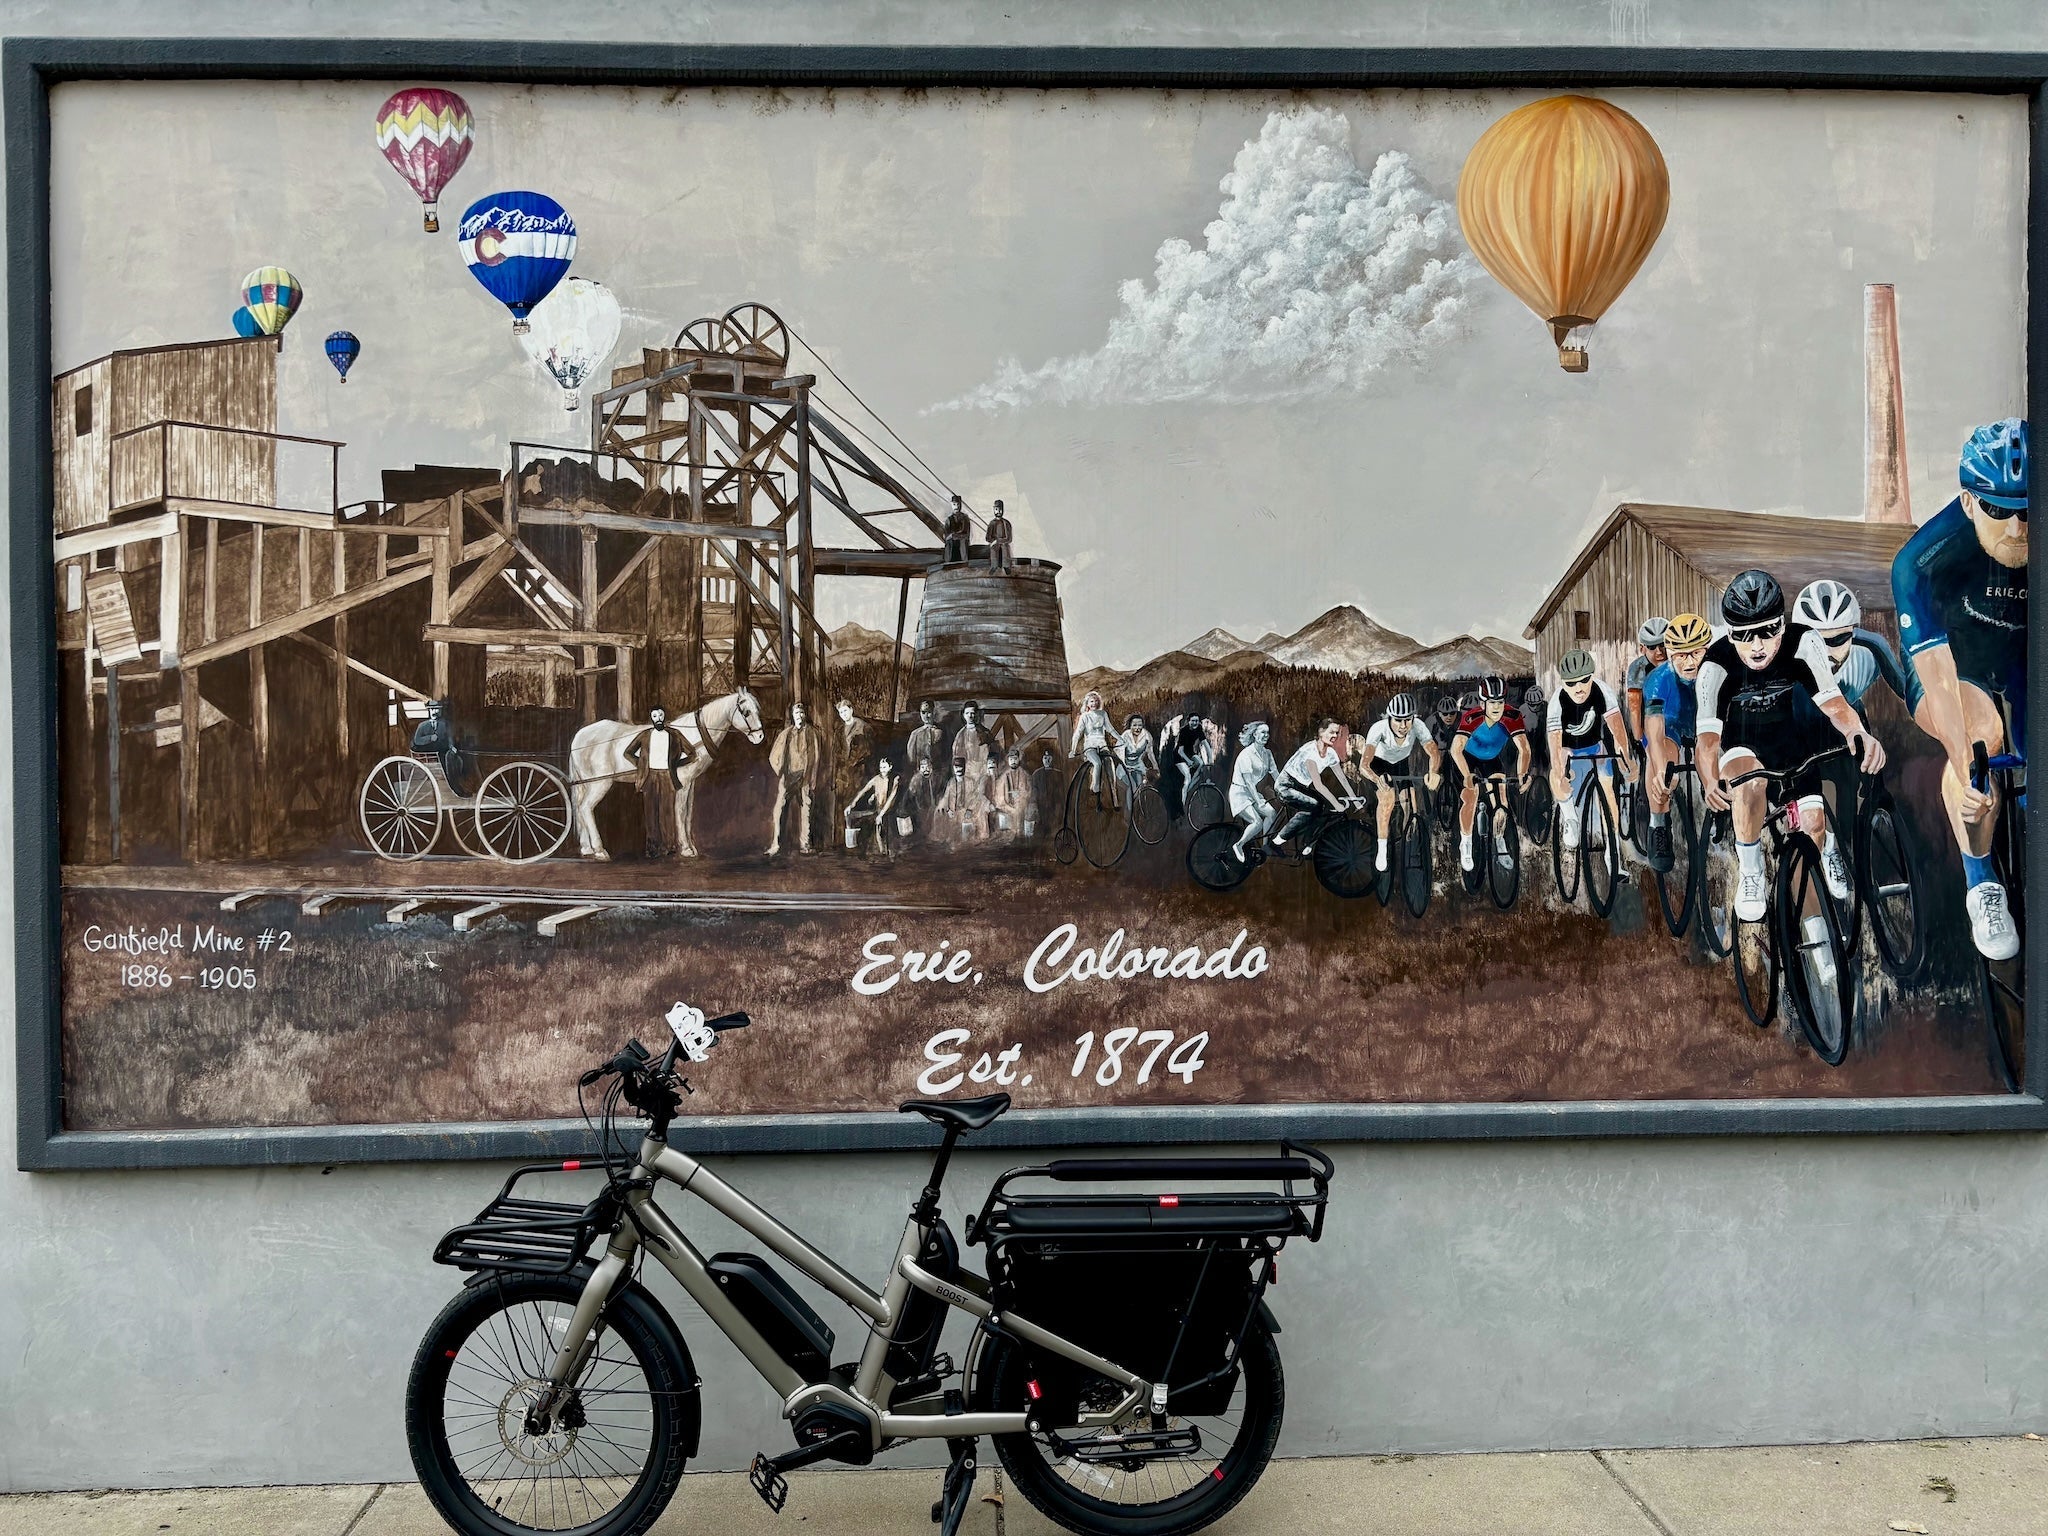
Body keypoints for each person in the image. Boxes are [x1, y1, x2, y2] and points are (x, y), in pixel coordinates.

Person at [1892, 419, 2029, 959]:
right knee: (1979, 738)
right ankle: (1982, 883)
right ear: (1970, 503)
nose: (2019, 528)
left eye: (2029, 510)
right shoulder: (1920, 563)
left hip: (2020, 658)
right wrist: (1968, 764)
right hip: (1954, 663)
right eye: (2000, 509)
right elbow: (1940, 683)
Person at [1697, 569, 1885, 922]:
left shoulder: (1804, 642)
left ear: (1783, 625)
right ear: (1729, 633)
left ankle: (1825, 845)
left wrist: (1858, 732)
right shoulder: (1715, 665)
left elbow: (1835, 705)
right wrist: (1709, 779)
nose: (1757, 647)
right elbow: (1708, 741)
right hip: (1742, 748)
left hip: (1789, 745)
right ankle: (1751, 870)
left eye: (1768, 632)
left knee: (1812, 824)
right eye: (1744, 635)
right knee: (1750, 784)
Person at [1641, 614, 1712, 872]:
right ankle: (1659, 824)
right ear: (1670, 653)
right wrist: (1661, 769)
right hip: (1671, 725)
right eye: (1681, 655)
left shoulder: (1716, 670)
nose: (1689, 662)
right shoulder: (1658, 680)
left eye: (1696, 653)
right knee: (1662, 760)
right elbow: (1655, 731)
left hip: (1706, 721)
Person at [1546, 649, 1631, 859]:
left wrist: (1625, 760)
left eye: (1584, 680)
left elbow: (1618, 731)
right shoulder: (1557, 702)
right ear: (1563, 683)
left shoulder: (1603, 691)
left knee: (1609, 791)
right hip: (1567, 749)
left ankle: (1613, 850)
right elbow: (1555, 746)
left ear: (1592, 676)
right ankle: (1571, 820)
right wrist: (1560, 772)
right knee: (1556, 774)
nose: (1579, 688)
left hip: (1595, 746)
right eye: (1571, 683)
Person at [1452, 677, 1530, 872]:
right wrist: (1467, 775)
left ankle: (1499, 840)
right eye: (1491, 702)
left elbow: (1524, 749)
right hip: (1467, 759)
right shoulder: (1471, 717)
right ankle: (1466, 843)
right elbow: (1456, 750)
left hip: (1491, 760)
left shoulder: (1512, 716)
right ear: (1482, 703)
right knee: (1470, 796)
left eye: (1500, 702)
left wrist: (1522, 774)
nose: (1496, 707)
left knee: (1502, 804)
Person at [1358, 693, 1443, 872]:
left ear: (1413, 718)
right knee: (1387, 799)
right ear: (1389, 717)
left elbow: (1434, 752)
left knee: (1410, 804)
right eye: (1398, 720)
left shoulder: (1418, 726)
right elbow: (1364, 765)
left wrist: (1433, 772)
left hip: (1401, 764)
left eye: (1408, 720)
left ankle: (1406, 842)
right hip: (1379, 765)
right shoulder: (1378, 728)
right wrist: (1376, 778)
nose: (1404, 726)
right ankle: (1382, 848)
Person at [1274, 717, 1361, 849]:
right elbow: (1319, 785)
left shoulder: (1331, 754)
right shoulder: (1310, 752)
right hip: (1286, 785)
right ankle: (1277, 841)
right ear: (1321, 732)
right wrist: (1337, 804)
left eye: (1337, 733)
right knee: (1314, 805)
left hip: (1301, 786)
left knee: (1324, 807)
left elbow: (1342, 778)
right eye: (1331, 732)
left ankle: (1308, 842)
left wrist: (1354, 799)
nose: (1335, 736)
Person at [624, 705, 692, 858]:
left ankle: (669, 846)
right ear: (651, 718)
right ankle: (652, 848)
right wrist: (641, 764)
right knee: (650, 814)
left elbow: (692, 754)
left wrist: (675, 765)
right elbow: (628, 752)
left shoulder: (674, 735)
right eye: (655, 716)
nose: (659, 718)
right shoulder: (645, 735)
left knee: (667, 812)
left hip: (667, 777)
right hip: (650, 777)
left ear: (664, 716)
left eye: (661, 715)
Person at [766, 701, 824, 857]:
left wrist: (812, 778)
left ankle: (805, 844)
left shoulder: (812, 734)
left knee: (807, 807)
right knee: (780, 807)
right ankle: (776, 844)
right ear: (792, 715)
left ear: (805, 715)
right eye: (797, 713)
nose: (800, 716)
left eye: (802, 713)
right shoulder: (785, 734)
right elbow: (774, 756)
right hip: (789, 776)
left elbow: (816, 757)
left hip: (804, 776)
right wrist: (781, 771)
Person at [1228, 721, 1280, 861]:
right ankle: (1238, 845)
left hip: (1253, 794)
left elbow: (1276, 774)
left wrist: (1285, 788)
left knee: (1271, 813)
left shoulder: (1267, 753)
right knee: (1256, 822)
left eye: (1267, 733)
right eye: (1262, 732)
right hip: (1240, 793)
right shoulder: (1246, 754)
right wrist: (1258, 801)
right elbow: (1249, 783)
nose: (1266, 735)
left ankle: (1265, 846)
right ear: (1254, 734)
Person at [410, 698, 475, 796]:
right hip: (428, 750)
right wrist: (430, 738)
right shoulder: (422, 726)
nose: (434, 712)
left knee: (455, 757)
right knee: (446, 758)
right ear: (429, 710)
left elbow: (450, 738)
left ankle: (458, 784)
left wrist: (452, 747)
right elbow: (417, 741)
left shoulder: (444, 724)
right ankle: (455, 788)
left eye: (437, 709)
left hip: (442, 750)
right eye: (432, 709)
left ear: (440, 711)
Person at [1625, 617, 1670, 755]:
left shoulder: (1679, 662)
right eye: (1652, 647)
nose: (1659, 651)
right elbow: (1635, 706)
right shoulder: (1637, 669)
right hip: (1650, 726)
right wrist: (1638, 737)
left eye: (1663, 645)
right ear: (1642, 648)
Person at [843, 754, 901, 856]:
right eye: (880, 767)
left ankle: (889, 856)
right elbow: (863, 791)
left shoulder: (895, 779)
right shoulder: (876, 779)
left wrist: (881, 814)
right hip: (878, 810)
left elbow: (891, 798)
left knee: (889, 840)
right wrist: (851, 804)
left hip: (890, 812)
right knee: (875, 834)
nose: (882, 769)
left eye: (884, 767)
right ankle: (879, 854)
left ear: (890, 767)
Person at [834, 699, 872, 840]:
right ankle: (846, 840)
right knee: (843, 806)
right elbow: (836, 753)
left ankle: (860, 840)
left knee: (858, 805)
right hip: (844, 775)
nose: (843, 714)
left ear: (851, 710)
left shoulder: (863, 728)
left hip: (859, 773)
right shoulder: (839, 731)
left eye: (845, 711)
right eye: (841, 712)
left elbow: (870, 751)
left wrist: (856, 762)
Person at [1070, 690, 1114, 794]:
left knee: (1109, 763)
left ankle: (1113, 792)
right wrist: (1073, 750)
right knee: (1097, 763)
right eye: (1091, 701)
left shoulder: (1103, 714)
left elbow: (1110, 729)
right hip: (1090, 746)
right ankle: (1095, 786)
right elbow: (1077, 734)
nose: (1094, 703)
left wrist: (1121, 740)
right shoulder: (1084, 716)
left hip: (1102, 745)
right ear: (1087, 703)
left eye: (1096, 701)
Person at [935, 757, 986, 843]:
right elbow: (946, 797)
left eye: (960, 767)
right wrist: (948, 810)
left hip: (967, 812)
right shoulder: (951, 782)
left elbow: (975, 797)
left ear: (964, 768)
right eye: (956, 767)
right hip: (953, 813)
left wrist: (970, 809)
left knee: (967, 838)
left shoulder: (971, 782)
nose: (958, 769)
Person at [989, 746, 1032, 838]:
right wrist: (1007, 804)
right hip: (1006, 805)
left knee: (1019, 810)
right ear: (1008, 760)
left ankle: (1018, 836)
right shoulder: (1003, 776)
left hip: (1020, 804)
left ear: (1018, 760)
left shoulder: (1024, 774)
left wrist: (1019, 796)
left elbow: (1028, 791)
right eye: (1011, 759)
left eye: (1015, 759)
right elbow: (998, 794)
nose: (1013, 761)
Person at [952, 700, 994, 789]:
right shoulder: (961, 735)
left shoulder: (985, 732)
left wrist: (990, 769)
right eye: (967, 713)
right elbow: (957, 756)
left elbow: (992, 751)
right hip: (968, 773)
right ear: (963, 715)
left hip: (984, 772)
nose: (970, 716)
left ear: (976, 714)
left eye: (972, 713)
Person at [1114, 712, 1158, 791]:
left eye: (1140, 725)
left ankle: (1140, 803)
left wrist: (1155, 766)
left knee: (1140, 787)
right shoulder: (1125, 736)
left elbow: (1150, 753)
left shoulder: (1146, 736)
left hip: (1138, 767)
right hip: (1125, 767)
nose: (1137, 728)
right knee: (1132, 787)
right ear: (1130, 726)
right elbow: (1119, 752)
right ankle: (1129, 804)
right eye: (1134, 725)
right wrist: (1125, 767)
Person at [905, 700, 945, 782]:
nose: (926, 716)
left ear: (934, 712)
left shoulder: (942, 732)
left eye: (929, 712)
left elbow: (946, 754)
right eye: (923, 712)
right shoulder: (915, 734)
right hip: (920, 775)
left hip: (938, 775)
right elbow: (911, 758)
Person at [1028, 748, 1062, 840]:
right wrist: (1034, 806)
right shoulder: (1036, 774)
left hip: (1054, 807)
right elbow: (1034, 792)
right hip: (1041, 807)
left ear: (1053, 758)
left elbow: (1060, 793)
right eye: (1045, 757)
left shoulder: (1058, 774)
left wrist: (1058, 808)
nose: (1046, 760)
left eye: (1049, 757)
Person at [985, 498, 1014, 573]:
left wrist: (998, 541)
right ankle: (994, 566)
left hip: (1003, 543)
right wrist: (993, 541)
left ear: (1003, 510)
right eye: (997, 509)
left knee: (1005, 547)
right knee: (994, 548)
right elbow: (987, 538)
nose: (998, 511)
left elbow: (1009, 538)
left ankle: (1006, 567)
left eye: (1000, 509)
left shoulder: (1006, 523)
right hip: (994, 544)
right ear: (994, 510)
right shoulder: (992, 523)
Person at [941, 494, 972, 564]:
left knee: (963, 542)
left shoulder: (965, 518)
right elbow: (946, 535)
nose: (957, 506)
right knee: (949, 543)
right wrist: (951, 536)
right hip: (952, 542)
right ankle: (948, 563)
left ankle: (964, 562)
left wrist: (954, 535)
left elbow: (965, 533)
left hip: (962, 541)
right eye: (954, 504)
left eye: (958, 504)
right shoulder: (949, 519)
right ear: (951, 505)